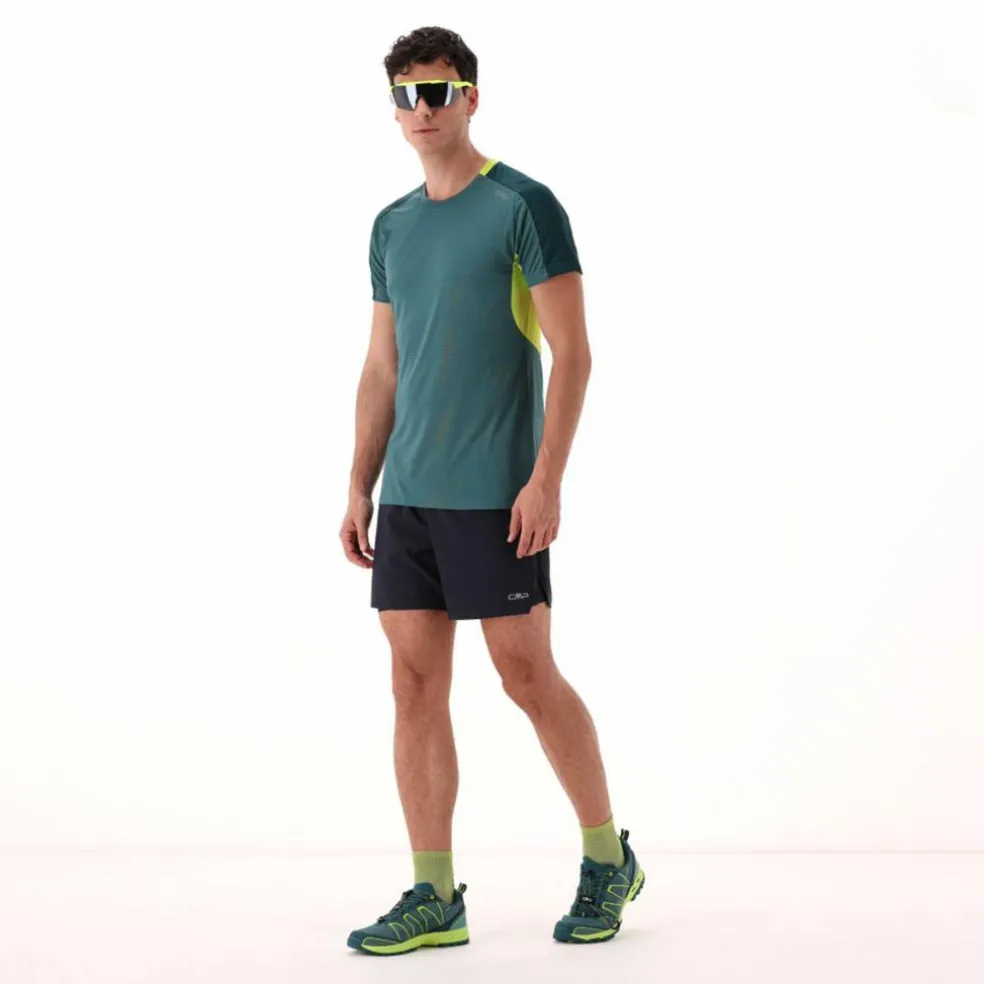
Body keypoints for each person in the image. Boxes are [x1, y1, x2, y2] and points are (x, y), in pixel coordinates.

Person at [339, 26, 644, 956]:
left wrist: (546, 479)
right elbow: (383, 365)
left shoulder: (524, 206)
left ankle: (608, 858)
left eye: (438, 91)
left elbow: (574, 354)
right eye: (407, 95)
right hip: (410, 497)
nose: (422, 109)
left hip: (495, 495)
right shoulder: (392, 226)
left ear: (470, 96)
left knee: (525, 675)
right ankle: (435, 894)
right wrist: (359, 483)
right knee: (412, 684)